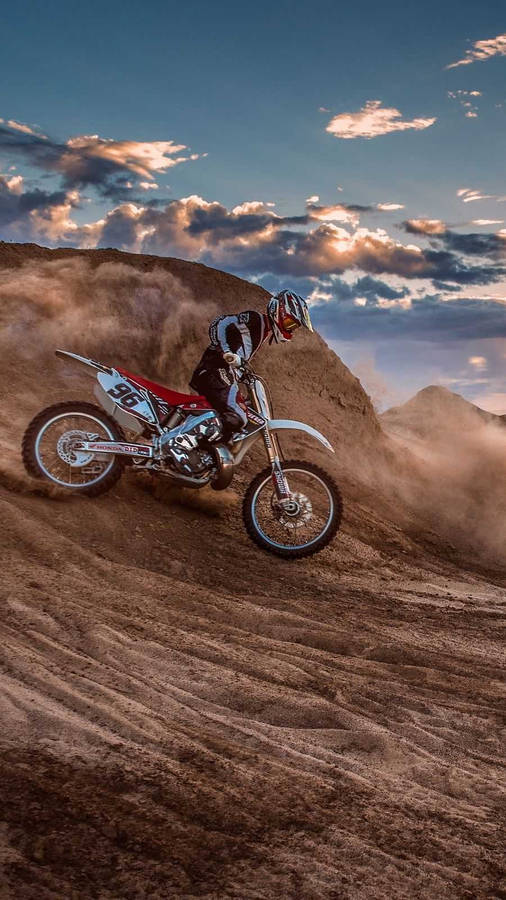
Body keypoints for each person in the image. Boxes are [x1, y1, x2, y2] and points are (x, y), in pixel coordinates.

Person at [189, 290, 314, 441]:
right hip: (214, 371)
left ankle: (206, 453)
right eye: (289, 322)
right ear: (278, 311)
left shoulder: (263, 331)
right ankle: (193, 441)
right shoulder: (255, 320)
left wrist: (243, 374)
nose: (289, 328)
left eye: (293, 326)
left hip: (220, 374)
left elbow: (239, 354)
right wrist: (226, 352)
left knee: (243, 414)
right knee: (239, 416)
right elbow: (220, 323)